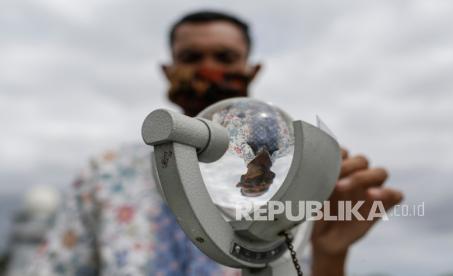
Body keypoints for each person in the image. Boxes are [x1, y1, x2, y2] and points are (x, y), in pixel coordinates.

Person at [28, 10, 403, 276]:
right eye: (191, 57)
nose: (208, 69)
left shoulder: (290, 171)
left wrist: (330, 253)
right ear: (168, 70)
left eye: (225, 57)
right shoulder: (106, 173)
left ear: (251, 70)